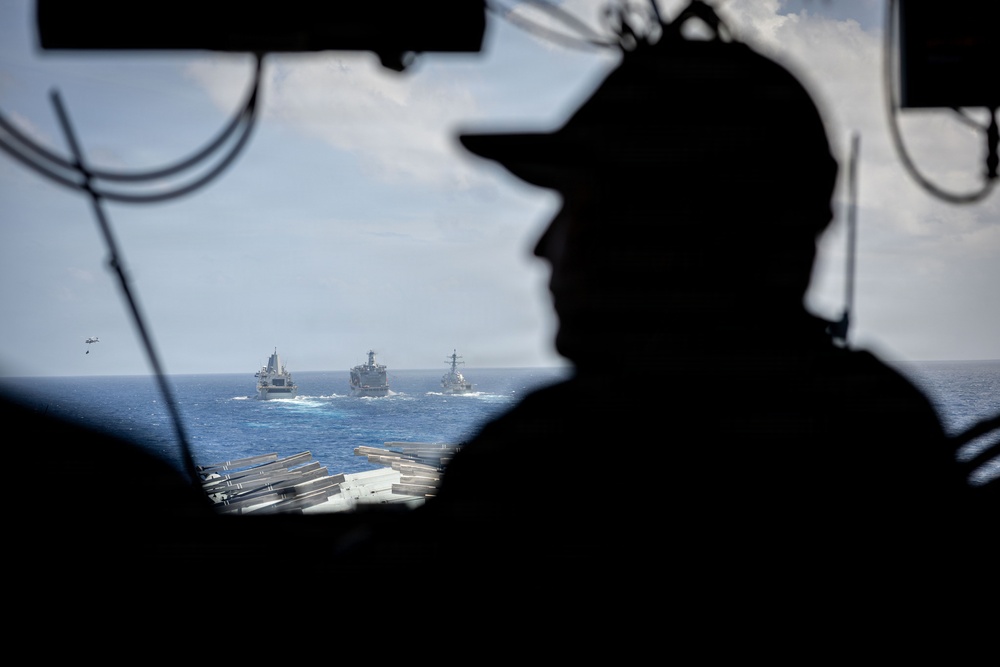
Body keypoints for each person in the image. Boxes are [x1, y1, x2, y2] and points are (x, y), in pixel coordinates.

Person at [335, 9, 997, 614]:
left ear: (669, 229)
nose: (541, 248)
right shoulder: (887, 434)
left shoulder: (552, 461)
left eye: (584, 207)